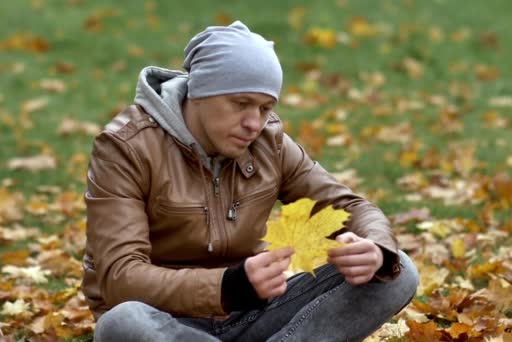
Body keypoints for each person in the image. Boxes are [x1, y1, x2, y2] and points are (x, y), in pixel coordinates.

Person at [81, 21, 419, 342]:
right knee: (123, 323)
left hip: (254, 314)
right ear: (198, 92)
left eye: (265, 107)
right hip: (165, 324)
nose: (253, 123)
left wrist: (374, 248)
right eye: (241, 104)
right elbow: (120, 278)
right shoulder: (127, 147)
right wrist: (228, 286)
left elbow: (350, 207)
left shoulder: (268, 143)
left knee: (395, 268)